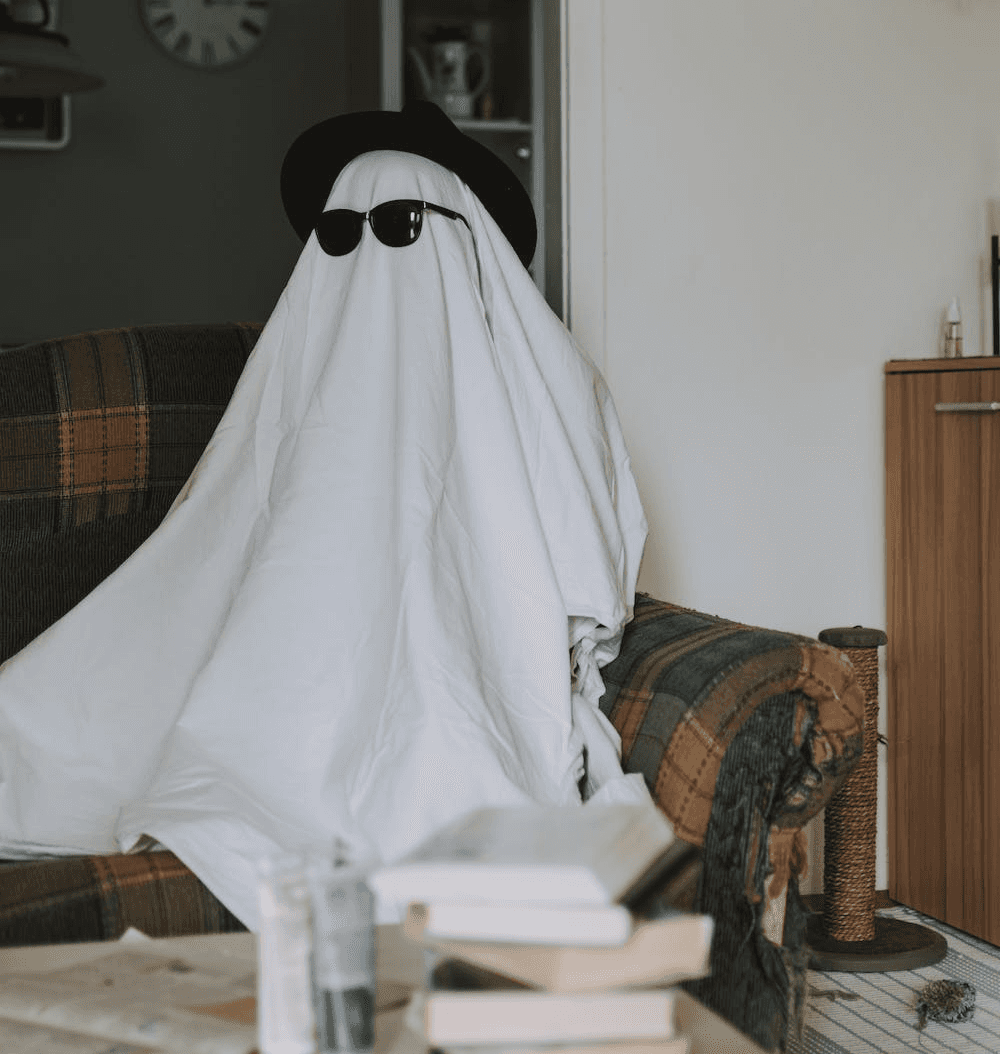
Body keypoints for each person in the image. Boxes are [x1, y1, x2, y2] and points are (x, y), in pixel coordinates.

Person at [0, 101, 650, 927]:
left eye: (401, 225)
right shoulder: (293, 388)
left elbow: (588, 577)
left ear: (461, 238)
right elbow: (221, 542)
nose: (368, 254)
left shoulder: (546, 388)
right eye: (340, 235)